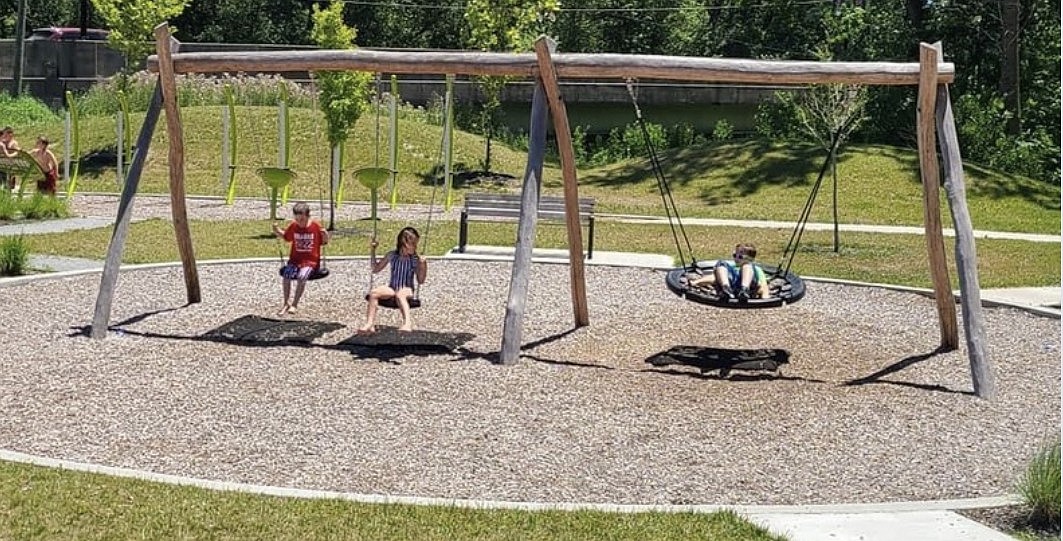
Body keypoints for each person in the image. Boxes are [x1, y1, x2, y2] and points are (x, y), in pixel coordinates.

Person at [358, 226, 428, 333]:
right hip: (392, 288)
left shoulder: (415, 259)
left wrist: (423, 266)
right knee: (374, 293)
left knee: (400, 294)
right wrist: (373, 251)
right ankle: (369, 323)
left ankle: (407, 323)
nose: (415, 247)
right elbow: (375, 269)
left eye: (416, 244)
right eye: (413, 244)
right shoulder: (391, 255)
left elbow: (421, 280)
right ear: (403, 242)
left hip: (407, 288)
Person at [272, 202, 329, 315]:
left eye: (302, 220)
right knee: (286, 276)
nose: (299, 222)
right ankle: (286, 303)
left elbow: (324, 242)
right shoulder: (293, 226)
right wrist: (277, 231)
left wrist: (325, 234)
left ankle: (294, 304)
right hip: (295, 260)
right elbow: (286, 237)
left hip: (310, 262)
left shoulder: (315, 226)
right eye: (297, 219)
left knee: (302, 276)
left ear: (308, 216)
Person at [690, 243, 771, 303]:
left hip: (749, 287)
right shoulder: (731, 267)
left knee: (747, 266)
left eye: (740, 257)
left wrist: (765, 299)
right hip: (731, 286)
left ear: (751, 259)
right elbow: (715, 277)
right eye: (735, 255)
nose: (736, 258)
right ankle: (726, 288)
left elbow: (764, 285)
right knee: (721, 264)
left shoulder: (756, 268)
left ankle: (744, 290)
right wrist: (696, 282)